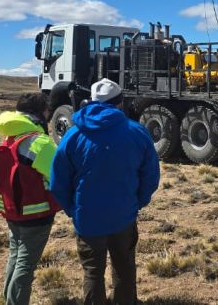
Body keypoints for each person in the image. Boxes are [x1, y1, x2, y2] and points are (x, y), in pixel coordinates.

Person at [50, 78, 160, 305]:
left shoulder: (73, 135)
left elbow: (58, 181)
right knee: (124, 265)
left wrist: (73, 209)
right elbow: (150, 176)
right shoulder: (136, 132)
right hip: (124, 215)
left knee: (92, 271)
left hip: (88, 217)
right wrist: (137, 202)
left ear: (91, 101)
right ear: (119, 102)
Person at [0, 92, 61, 305]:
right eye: (46, 111)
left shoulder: (9, 138)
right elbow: (59, 175)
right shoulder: (40, 143)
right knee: (26, 264)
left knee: (15, 256)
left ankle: (8, 298)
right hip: (36, 213)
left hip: (11, 210)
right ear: (39, 113)